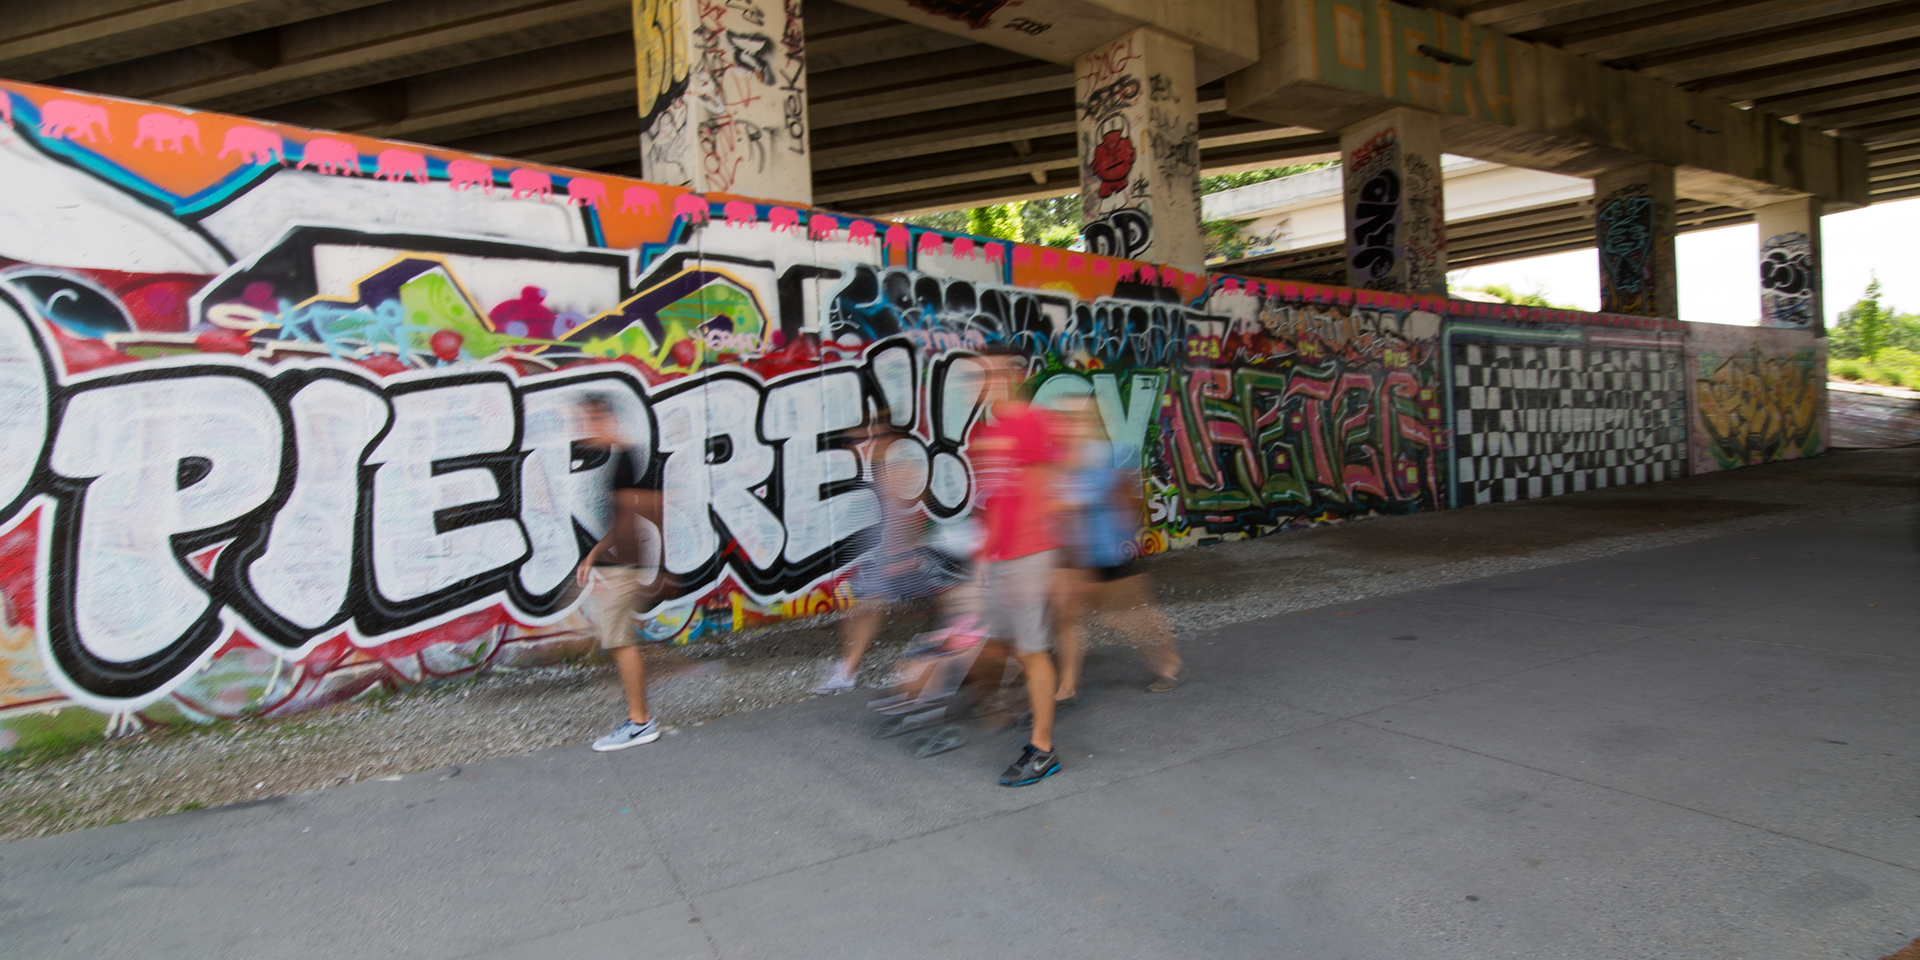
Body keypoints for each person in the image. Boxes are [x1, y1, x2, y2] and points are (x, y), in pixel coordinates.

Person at [968, 349, 1070, 787]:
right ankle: (1028, 701)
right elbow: (994, 502)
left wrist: (1052, 565)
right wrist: (983, 556)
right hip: (1000, 558)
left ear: (1011, 376)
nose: (983, 381)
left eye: (991, 372)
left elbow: (1048, 492)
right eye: (977, 375)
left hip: (1029, 555)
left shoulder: (1030, 422)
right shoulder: (983, 432)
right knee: (1000, 644)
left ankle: (1043, 749)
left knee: (1030, 650)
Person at [813, 417, 968, 694]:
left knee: (955, 596)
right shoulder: (869, 471)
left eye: (867, 437)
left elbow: (914, 508)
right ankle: (848, 670)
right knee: (861, 611)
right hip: (887, 560)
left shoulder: (898, 468)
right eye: (856, 439)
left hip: (902, 559)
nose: (861, 443)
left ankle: (951, 653)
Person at [1050, 394, 1183, 702]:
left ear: (1091, 421)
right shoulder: (1062, 458)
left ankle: (1170, 663)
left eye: (1077, 418)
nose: (1069, 425)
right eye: (1065, 418)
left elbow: (1076, 500)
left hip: (1110, 552)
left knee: (1126, 617)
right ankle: (1067, 685)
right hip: (1072, 556)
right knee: (1066, 619)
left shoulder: (1108, 455)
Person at [573, 394, 668, 753]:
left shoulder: (625, 460)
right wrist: (595, 555)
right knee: (619, 641)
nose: (582, 429)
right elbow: (625, 514)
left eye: (587, 421)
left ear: (603, 420)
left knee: (621, 643)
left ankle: (639, 722)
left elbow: (646, 510)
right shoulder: (621, 460)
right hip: (619, 566)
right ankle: (638, 715)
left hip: (623, 569)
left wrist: (629, 569)